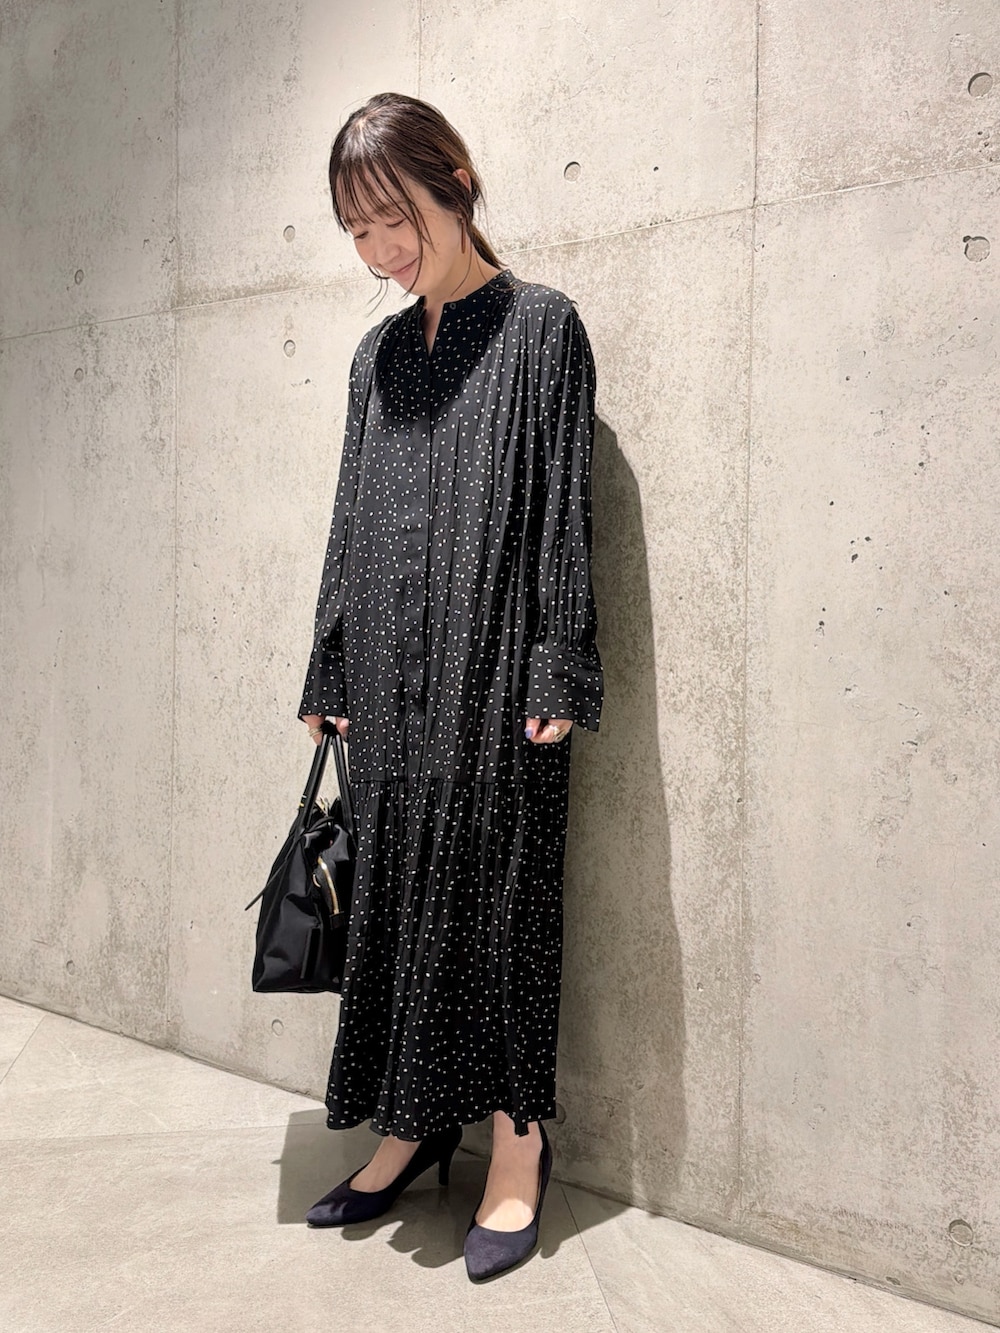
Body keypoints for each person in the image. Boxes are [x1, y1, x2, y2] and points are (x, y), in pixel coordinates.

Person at [297, 91, 603, 1282]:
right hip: (387, 671)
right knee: (393, 899)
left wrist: (557, 658)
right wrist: (329, 661)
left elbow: (563, 509)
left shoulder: (541, 328)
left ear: (454, 185)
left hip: (494, 669)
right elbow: (349, 517)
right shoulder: (376, 355)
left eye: (393, 220)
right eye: (356, 232)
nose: (379, 251)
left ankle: (516, 1148)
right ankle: (410, 1127)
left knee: (499, 896)